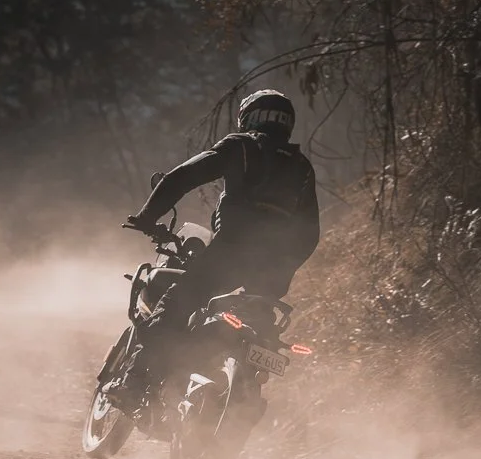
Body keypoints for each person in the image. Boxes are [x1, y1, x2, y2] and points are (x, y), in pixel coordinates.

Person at [105, 89, 320, 412]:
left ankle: (133, 384)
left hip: (229, 255)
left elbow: (183, 176)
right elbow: (310, 233)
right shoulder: (301, 167)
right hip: (273, 273)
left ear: (249, 117)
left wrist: (148, 216)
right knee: (257, 325)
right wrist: (284, 266)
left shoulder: (243, 146)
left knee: (175, 304)